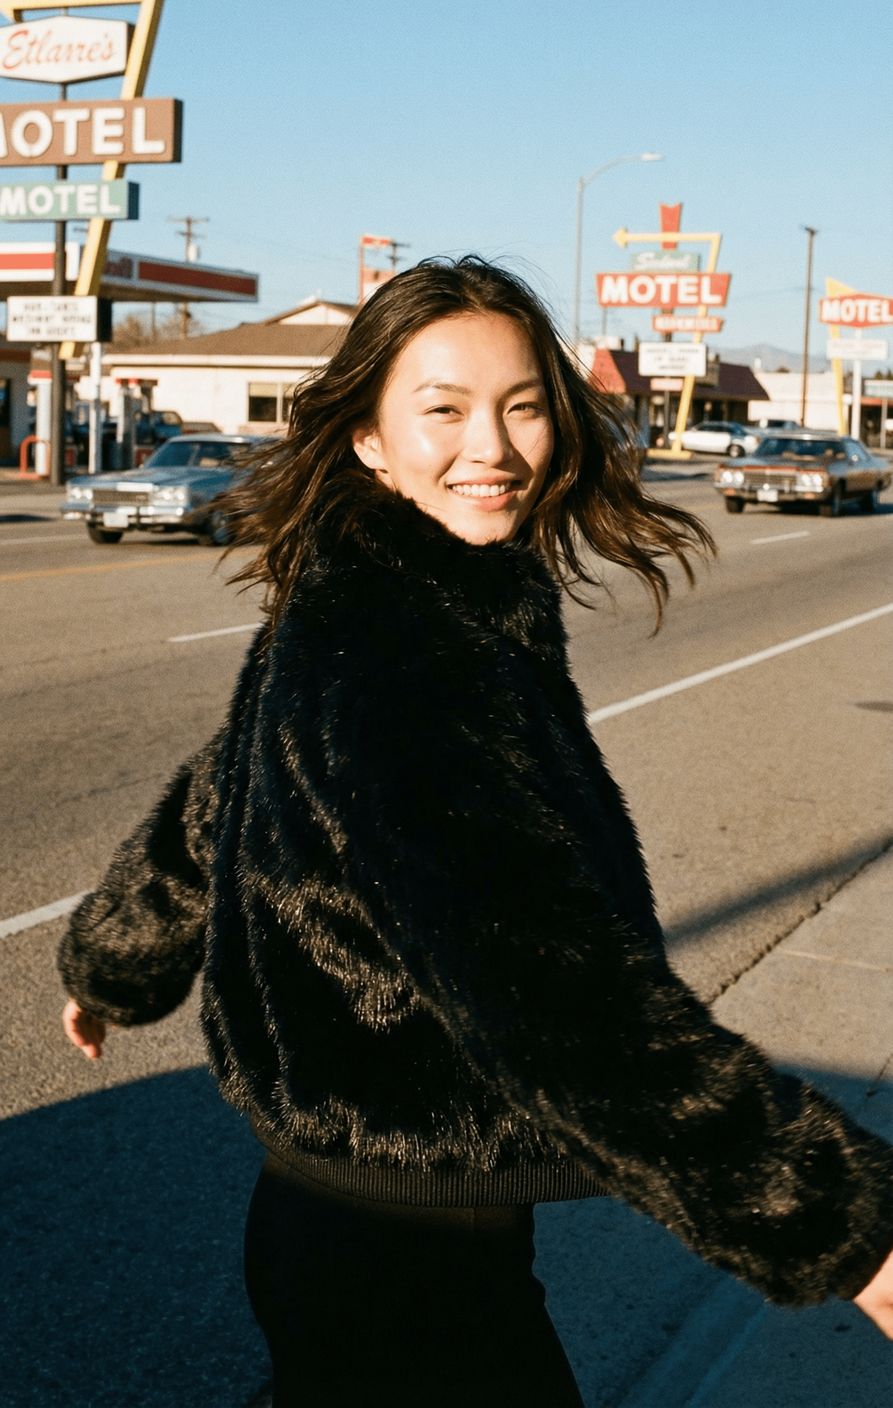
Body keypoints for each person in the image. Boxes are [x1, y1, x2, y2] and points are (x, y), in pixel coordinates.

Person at [60, 257, 893, 1405]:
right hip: (398, 1256)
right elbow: (551, 993)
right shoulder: (411, 650)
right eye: (442, 410)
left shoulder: (375, 592)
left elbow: (229, 787)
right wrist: (836, 1224)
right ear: (367, 439)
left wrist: (115, 956)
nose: (491, 449)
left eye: (521, 405)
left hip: (347, 1220)